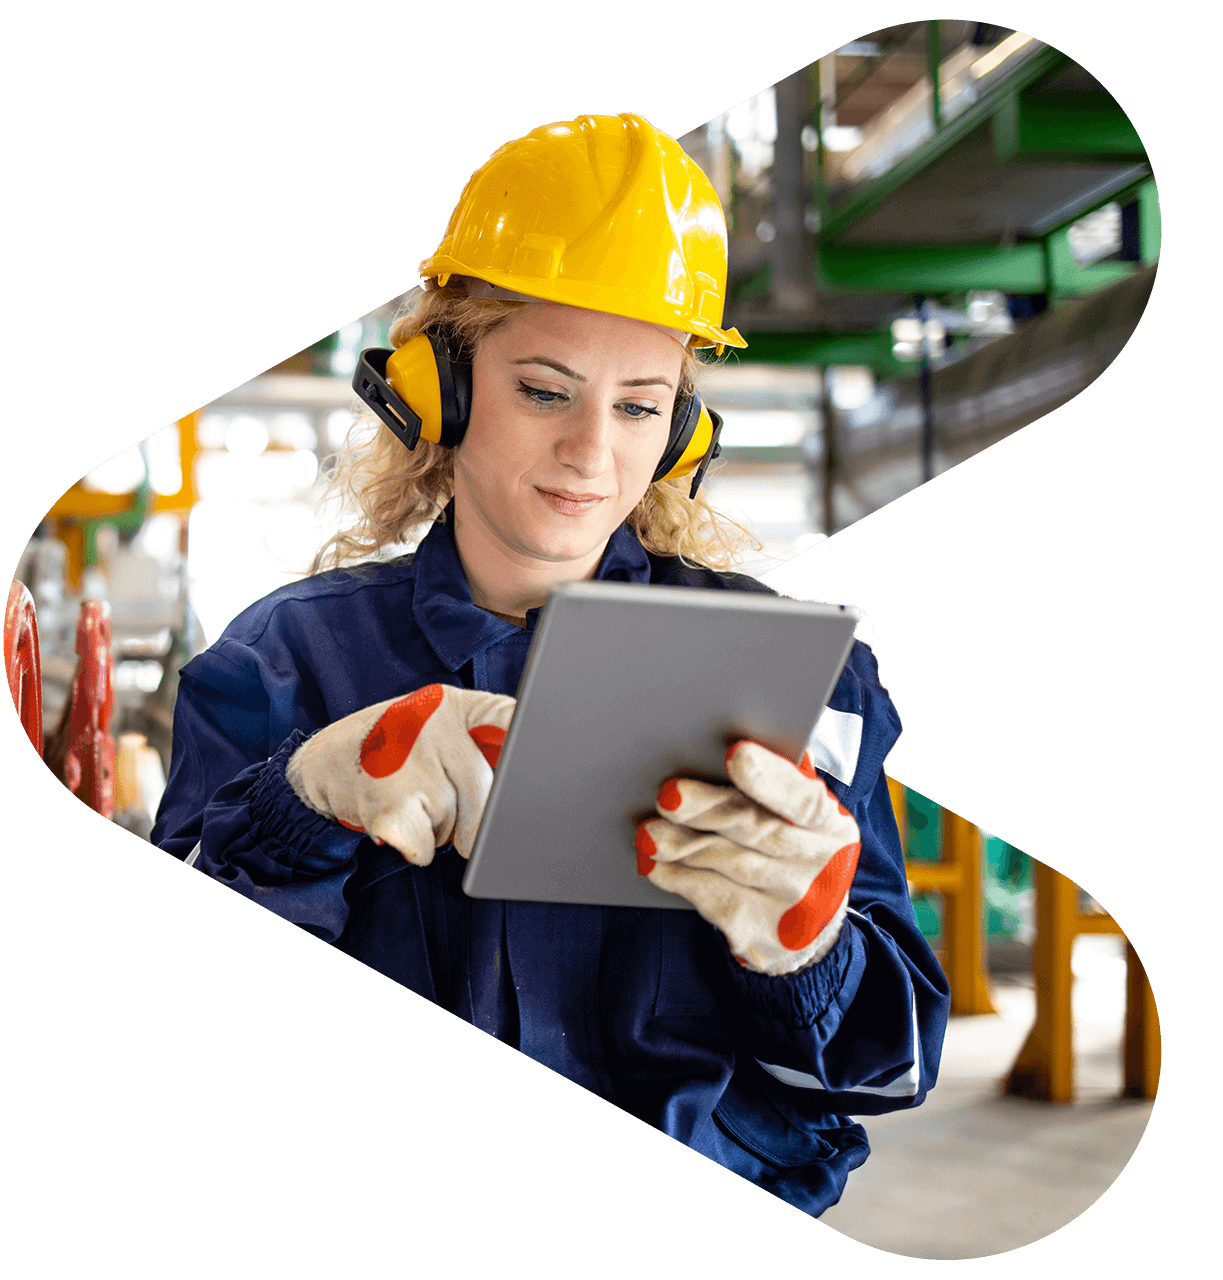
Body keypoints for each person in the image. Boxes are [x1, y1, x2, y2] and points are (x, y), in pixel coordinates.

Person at [151, 112, 949, 1217]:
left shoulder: (805, 678)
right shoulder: (285, 658)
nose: (592, 453)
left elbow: (883, 1071)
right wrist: (302, 801)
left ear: (682, 433)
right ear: (441, 387)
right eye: (542, 388)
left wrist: (805, 950)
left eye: (638, 406)